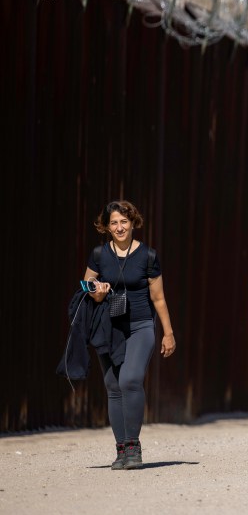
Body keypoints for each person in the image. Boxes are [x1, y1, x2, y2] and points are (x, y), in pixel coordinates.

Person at [81, 200, 175, 470]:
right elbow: (87, 289)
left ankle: (133, 447)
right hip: (108, 327)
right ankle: (121, 450)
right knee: (113, 387)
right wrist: (97, 292)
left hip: (140, 326)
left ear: (133, 223)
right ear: (106, 227)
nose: (119, 227)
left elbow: (158, 299)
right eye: (114, 223)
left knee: (130, 380)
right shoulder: (99, 255)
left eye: (124, 221)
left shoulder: (148, 256)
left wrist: (168, 333)